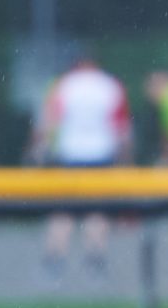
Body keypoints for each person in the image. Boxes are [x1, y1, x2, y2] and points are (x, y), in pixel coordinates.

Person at [27, 48, 131, 280]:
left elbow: (48, 120)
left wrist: (36, 149)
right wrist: (125, 160)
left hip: (70, 153)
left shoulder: (65, 85)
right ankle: (95, 259)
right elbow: (122, 129)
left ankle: (55, 260)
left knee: (63, 210)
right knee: (97, 209)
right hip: (101, 153)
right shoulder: (110, 85)